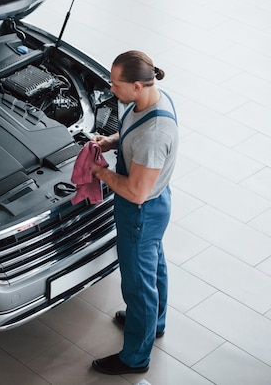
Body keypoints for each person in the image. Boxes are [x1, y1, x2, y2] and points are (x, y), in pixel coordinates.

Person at [90, 50, 178, 375]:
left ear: (138, 86)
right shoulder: (153, 99)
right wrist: (111, 142)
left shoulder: (154, 136)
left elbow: (135, 191)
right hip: (157, 204)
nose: (111, 89)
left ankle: (135, 358)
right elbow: (131, 131)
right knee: (154, 265)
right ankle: (154, 323)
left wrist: (101, 174)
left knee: (138, 285)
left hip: (140, 211)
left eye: (116, 84)